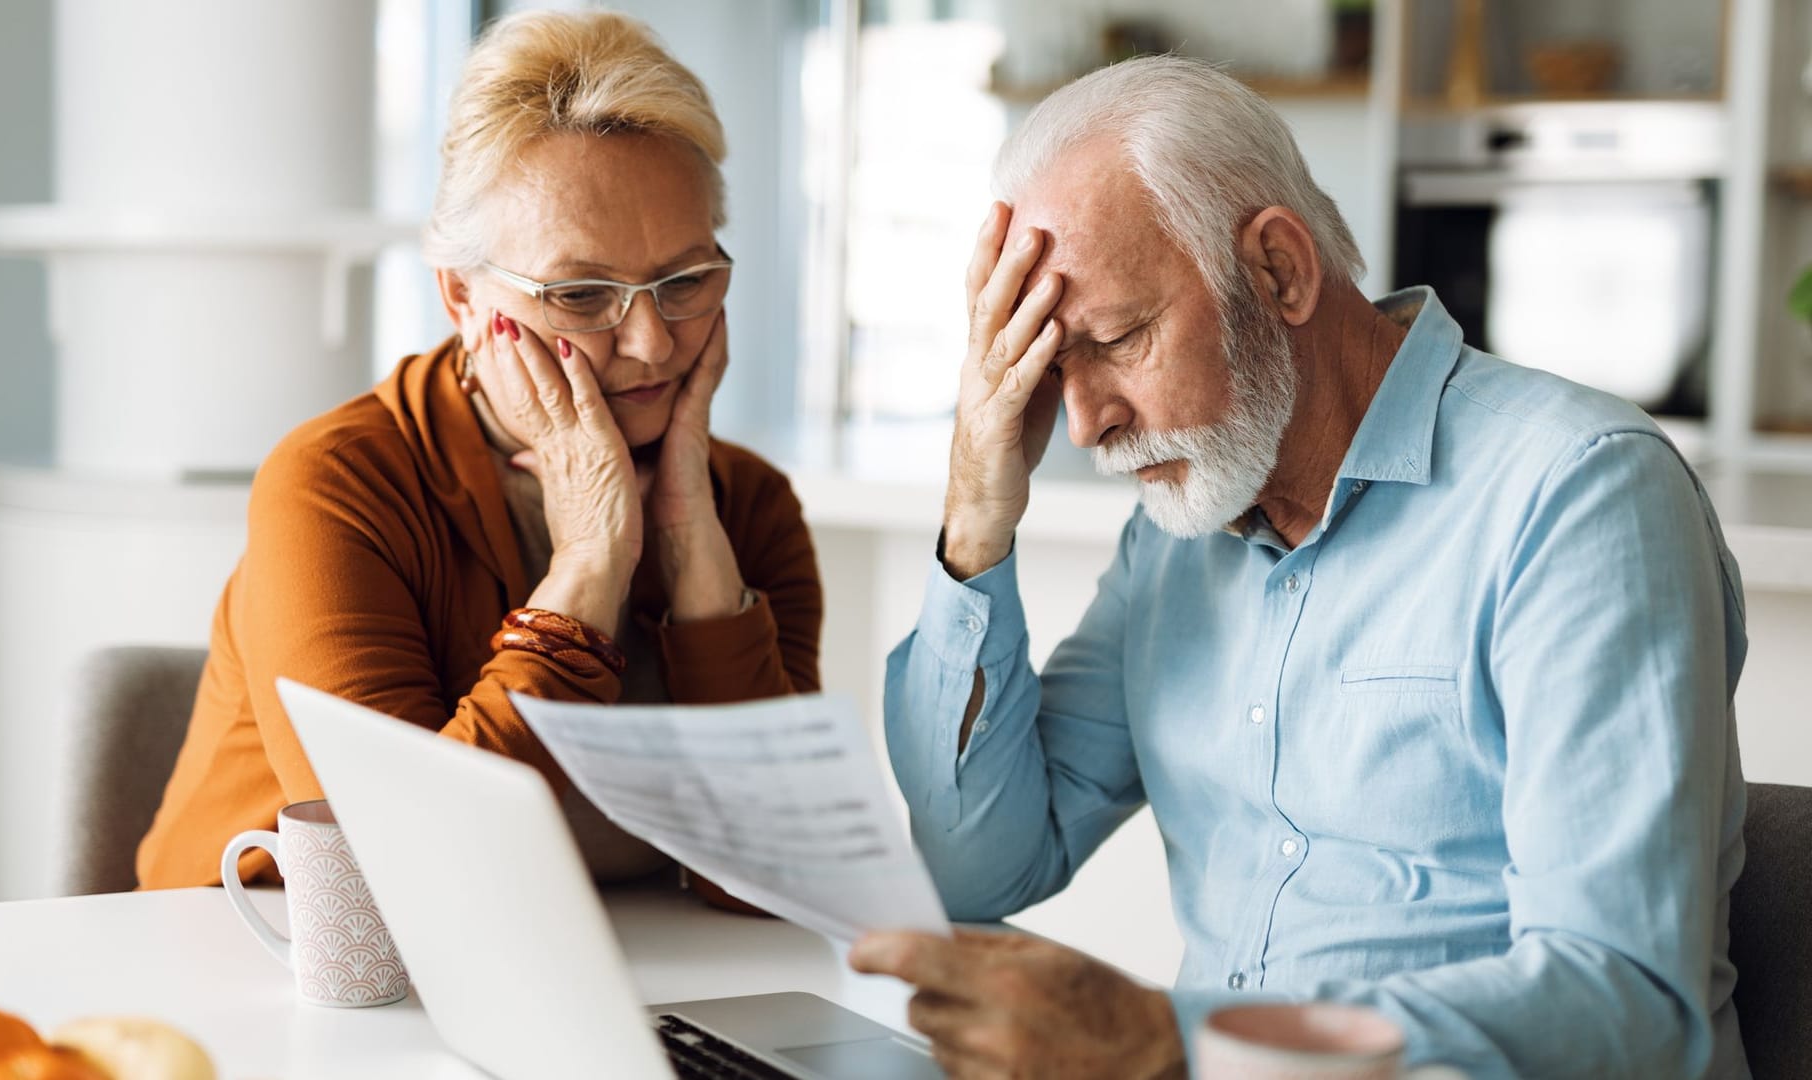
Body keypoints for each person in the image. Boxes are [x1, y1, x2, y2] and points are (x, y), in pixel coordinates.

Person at [850, 55, 1748, 1079]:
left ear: (1278, 268)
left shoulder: (1577, 496)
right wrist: (975, 509)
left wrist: (1168, 1041)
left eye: (1117, 339)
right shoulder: (1179, 535)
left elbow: (1624, 1000)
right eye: (1054, 367)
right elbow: (976, 867)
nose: (1090, 423)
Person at [137, 11, 821, 901]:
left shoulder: (749, 505)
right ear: (460, 294)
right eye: (581, 293)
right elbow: (400, 871)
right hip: (278, 979)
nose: (652, 343)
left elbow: (777, 879)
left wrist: (692, 549)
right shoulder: (338, 485)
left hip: (610, 979)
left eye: (685, 282)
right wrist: (590, 563)